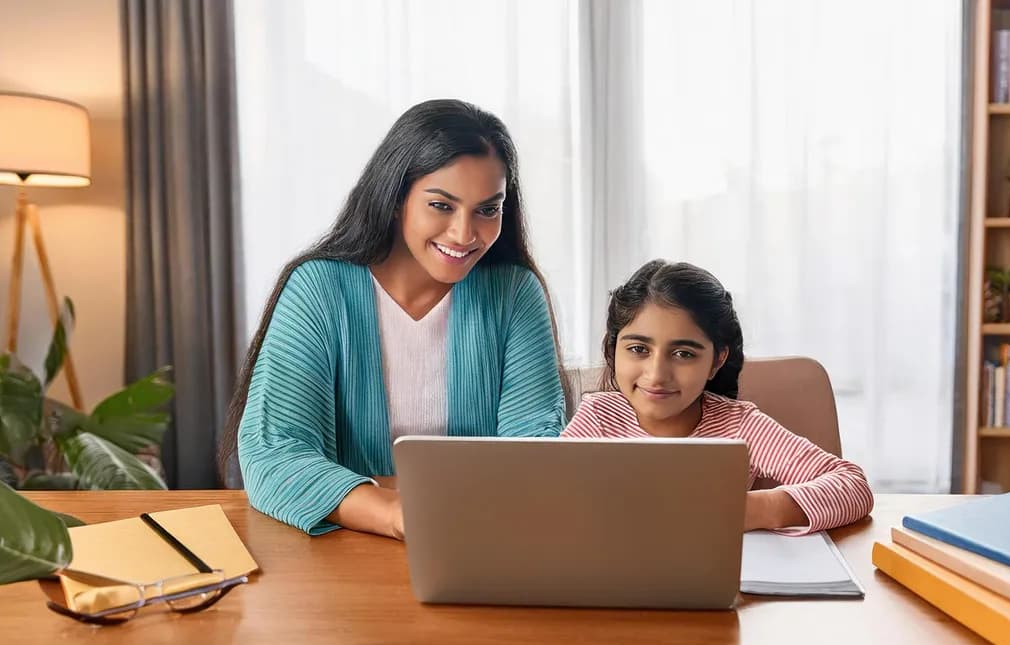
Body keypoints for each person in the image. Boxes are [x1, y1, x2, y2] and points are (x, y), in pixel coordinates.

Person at [219, 100, 565, 538]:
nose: (464, 234)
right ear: (397, 197)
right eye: (441, 205)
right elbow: (273, 452)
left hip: (480, 539)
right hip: (343, 548)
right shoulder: (318, 289)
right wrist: (400, 514)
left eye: (487, 210)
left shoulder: (514, 293)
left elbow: (534, 452)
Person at [562, 260, 873, 533]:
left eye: (683, 354)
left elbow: (853, 486)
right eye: (638, 349)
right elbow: (547, 493)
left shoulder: (740, 427)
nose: (656, 374)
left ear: (716, 361)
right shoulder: (598, 417)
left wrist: (747, 510)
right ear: (613, 349)